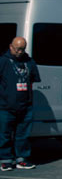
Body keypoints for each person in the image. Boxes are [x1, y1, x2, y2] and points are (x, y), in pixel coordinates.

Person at [0, 37, 40, 170]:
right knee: (4, 133)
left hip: (25, 105)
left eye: (22, 49)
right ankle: (5, 159)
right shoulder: (3, 61)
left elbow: (33, 80)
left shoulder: (29, 62)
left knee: (23, 134)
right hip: (5, 105)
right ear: (11, 47)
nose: (19, 52)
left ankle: (21, 159)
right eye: (17, 49)